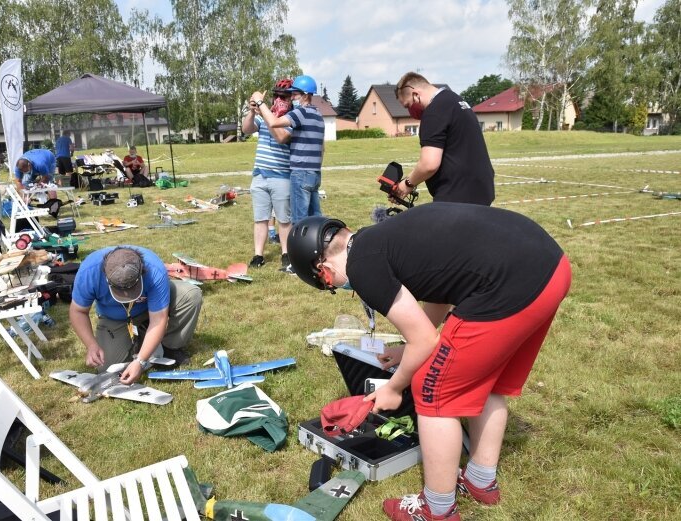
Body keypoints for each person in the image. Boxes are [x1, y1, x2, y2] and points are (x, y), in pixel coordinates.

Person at [287, 204, 571, 521]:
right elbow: (440, 290)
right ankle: (480, 480)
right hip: (551, 267)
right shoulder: (382, 239)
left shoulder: (362, 266)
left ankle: (436, 509)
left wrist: (395, 387)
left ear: (322, 267)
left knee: (433, 391)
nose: (336, 285)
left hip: (509, 282)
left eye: (327, 282)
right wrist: (407, 349)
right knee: (487, 379)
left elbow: (426, 340)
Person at [69, 246, 203, 385]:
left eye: (132, 290)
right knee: (107, 369)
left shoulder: (154, 268)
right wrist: (91, 345)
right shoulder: (89, 272)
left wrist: (140, 361)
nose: (128, 296)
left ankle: (170, 347)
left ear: (141, 273)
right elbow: (78, 311)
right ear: (106, 278)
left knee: (191, 295)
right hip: (114, 318)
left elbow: (159, 318)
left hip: (151, 309)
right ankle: (143, 335)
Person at [391, 72, 494, 206]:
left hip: (457, 195)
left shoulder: (434, 111)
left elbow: (429, 164)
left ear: (416, 94)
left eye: (408, 105)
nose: (409, 111)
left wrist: (407, 184)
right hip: (481, 189)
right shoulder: (455, 100)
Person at [251, 74, 325, 225]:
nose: (291, 98)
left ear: (305, 95)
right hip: (315, 174)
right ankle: (318, 246)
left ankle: (299, 248)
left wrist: (259, 102)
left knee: (299, 221)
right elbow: (322, 148)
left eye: (295, 94)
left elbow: (273, 122)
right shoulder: (317, 115)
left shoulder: (301, 113)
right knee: (315, 217)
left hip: (300, 173)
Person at [243, 77, 294, 272]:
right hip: (260, 175)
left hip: (281, 175)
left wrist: (263, 110)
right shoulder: (266, 114)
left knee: (283, 219)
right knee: (260, 218)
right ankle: (258, 255)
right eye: (278, 96)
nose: (280, 100)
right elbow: (246, 129)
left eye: (284, 97)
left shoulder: (292, 117)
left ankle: (286, 254)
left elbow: (281, 137)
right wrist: (252, 109)